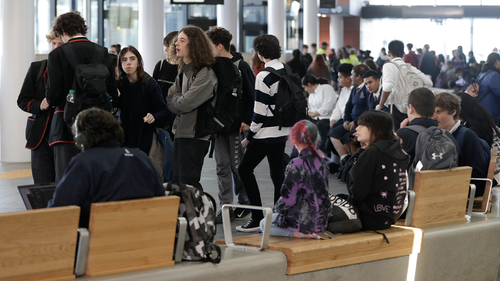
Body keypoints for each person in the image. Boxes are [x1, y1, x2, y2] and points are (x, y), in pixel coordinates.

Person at [48, 108, 165, 228]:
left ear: (82, 138)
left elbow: (60, 210)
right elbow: (161, 200)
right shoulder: (141, 157)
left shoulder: (83, 162)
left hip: (99, 242)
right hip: (146, 241)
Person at [46, 11, 118, 182]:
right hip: (100, 123)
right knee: (98, 177)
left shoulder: (57, 54)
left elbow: (54, 96)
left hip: (67, 124)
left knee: (67, 178)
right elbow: (113, 92)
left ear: (62, 31)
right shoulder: (103, 52)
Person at [236, 34, 290, 232]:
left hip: (265, 133)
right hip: (283, 131)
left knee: (244, 169)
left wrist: (249, 138)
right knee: (277, 174)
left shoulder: (263, 75)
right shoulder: (287, 70)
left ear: (259, 52)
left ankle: (257, 216)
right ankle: (279, 216)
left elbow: (259, 113)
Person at [206, 26, 255, 222]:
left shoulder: (241, 66)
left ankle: (244, 203)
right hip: (218, 127)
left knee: (237, 167)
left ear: (219, 46)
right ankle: (226, 207)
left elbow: (252, 96)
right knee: (221, 167)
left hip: (236, 126)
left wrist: (247, 119)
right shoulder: (212, 66)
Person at [166, 25, 218, 191]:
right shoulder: (184, 70)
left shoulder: (205, 73)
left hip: (195, 135)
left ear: (194, 45)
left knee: (189, 183)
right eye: (177, 40)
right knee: (177, 181)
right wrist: (177, 101)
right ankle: (183, 216)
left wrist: (177, 101)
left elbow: (185, 103)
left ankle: (198, 215)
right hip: (180, 132)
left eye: (182, 40)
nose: (176, 44)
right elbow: (170, 97)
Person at [260, 120, 330, 239]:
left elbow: (288, 199)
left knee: (263, 223)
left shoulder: (296, 164)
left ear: (293, 140)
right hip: (322, 221)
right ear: (317, 140)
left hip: (302, 222)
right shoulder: (323, 161)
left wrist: (275, 210)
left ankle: (297, 234)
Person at [348, 110, 410, 230]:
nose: (357, 129)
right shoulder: (397, 150)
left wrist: (359, 154)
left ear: (376, 128)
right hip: (391, 215)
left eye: (362, 125)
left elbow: (356, 193)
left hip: (369, 218)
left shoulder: (372, 153)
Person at [17, 30, 63, 184]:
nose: (55, 47)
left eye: (60, 44)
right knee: (41, 185)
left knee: (62, 185)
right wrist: (39, 105)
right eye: (53, 43)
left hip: (63, 135)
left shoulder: (73, 70)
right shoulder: (37, 68)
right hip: (40, 136)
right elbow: (22, 100)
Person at [116, 46, 172, 166]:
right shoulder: (119, 84)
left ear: (139, 62)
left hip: (144, 139)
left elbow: (165, 112)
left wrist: (154, 117)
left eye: (132, 59)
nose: (128, 63)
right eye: (124, 60)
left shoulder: (148, 83)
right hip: (123, 140)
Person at [433, 92, 489, 196]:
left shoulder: (468, 136)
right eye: (432, 112)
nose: (434, 116)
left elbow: (477, 175)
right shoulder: (434, 135)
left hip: (459, 192)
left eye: (439, 111)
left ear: (453, 112)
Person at [376, 40, 432, 130]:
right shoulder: (410, 67)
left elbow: (388, 87)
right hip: (411, 109)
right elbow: (428, 82)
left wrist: (381, 104)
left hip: (394, 109)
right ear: (403, 54)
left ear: (389, 53)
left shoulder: (388, 66)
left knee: (394, 137)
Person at [397, 88, 458, 165]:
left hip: (413, 177)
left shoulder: (403, 134)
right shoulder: (448, 136)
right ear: (434, 112)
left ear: (411, 108)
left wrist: (398, 136)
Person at [329, 64, 370, 162]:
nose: (351, 77)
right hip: (351, 121)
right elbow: (348, 107)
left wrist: (355, 122)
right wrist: (346, 120)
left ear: (358, 76)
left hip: (361, 122)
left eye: (352, 75)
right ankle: (345, 160)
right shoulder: (355, 89)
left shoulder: (366, 89)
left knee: (348, 140)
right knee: (333, 134)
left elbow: (368, 110)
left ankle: (355, 162)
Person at [302, 75, 336, 153]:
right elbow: (311, 108)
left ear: (309, 84)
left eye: (305, 87)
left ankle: (323, 154)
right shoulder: (311, 94)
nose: (305, 90)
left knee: (319, 127)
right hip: (315, 118)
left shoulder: (326, 88)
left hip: (326, 118)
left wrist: (313, 114)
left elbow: (328, 106)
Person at [466, 53, 500, 126]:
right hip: (492, 112)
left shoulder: (483, 73)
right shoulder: (494, 75)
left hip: (482, 109)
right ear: (497, 61)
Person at [152, 31, 179, 100]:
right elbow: (153, 90)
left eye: (168, 46)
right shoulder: (160, 65)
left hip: (175, 109)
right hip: (159, 108)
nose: (166, 50)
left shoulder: (184, 68)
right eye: (165, 46)